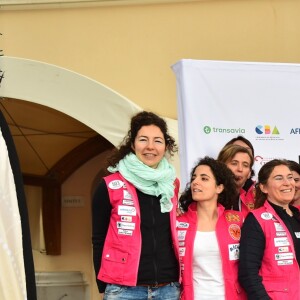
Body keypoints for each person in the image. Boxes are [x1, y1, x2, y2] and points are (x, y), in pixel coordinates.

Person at [92, 111, 181, 300]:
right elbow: (98, 238)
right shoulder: (110, 185)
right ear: (132, 145)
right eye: (143, 140)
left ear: (166, 146)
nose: (150, 147)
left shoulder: (172, 184)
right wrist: (104, 284)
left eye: (157, 140)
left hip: (168, 288)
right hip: (124, 290)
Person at [177, 156, 246, 300]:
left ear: (219, 187)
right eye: (194, 177)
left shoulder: (239, 220)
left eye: (204, 178)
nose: (195, 182)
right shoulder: (178, 223)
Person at [238, 159, 300, 300]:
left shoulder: (297, 216)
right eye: (279, 178)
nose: (287, 183)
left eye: (290, 177)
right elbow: (248, 273)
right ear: (264, 187)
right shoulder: (256, 220)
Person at [217, 144, 254, 217]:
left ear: (249, 173)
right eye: (234, 163)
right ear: (221, 167)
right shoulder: (208, 197)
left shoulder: (257, 200)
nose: (240, 169)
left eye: (245, 165)